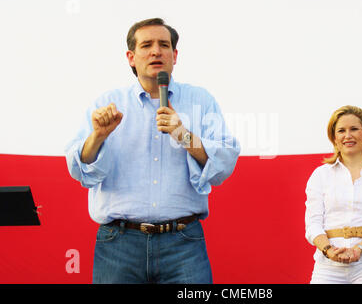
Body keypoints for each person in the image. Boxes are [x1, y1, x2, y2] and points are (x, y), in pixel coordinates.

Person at [65, 18, 240, 284]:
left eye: (164, 45)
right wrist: (99, 135)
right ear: (131, 57)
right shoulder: (107, 103)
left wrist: (183, 135)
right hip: (119, 244)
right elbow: (78, 167)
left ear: (175, 55)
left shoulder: (201, 100)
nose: (156, 51)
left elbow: (224, 164)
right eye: (146, 45)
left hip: (183, 243)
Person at [304, 105, 362, 284]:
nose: (347, 135)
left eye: (354, 129)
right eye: (341, 130)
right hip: (327, 267)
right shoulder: (320, 175)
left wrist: (360, 249)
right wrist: (329, 250)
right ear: (334, 138)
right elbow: (313, 225)